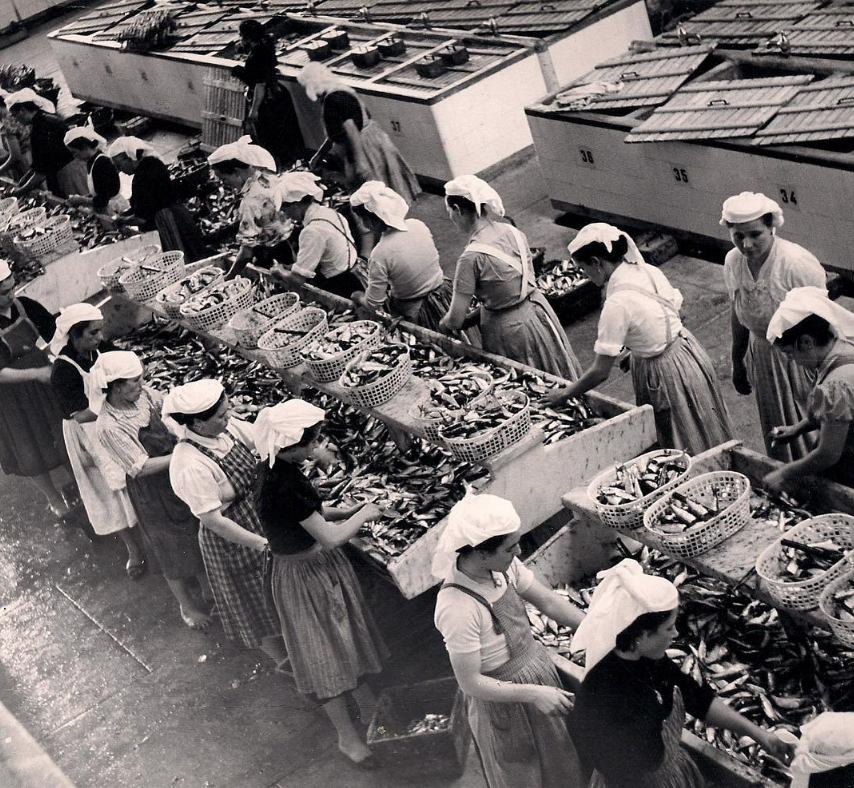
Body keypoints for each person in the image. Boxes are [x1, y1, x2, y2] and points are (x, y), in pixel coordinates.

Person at [572, 559, 794, 788]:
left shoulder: (647, 659)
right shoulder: (604, 695)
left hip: (670, 772)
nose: (676, 634)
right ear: (640, 636)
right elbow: (623, 771)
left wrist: (758, 734)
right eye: (668, 628)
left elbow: (695, 697)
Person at [253, 400, 387, 768]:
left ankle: (367, 705)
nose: (315, 449)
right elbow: (329, 538)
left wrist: (340, 510)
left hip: (314, 569)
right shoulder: (283, 482)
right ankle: (348, 738)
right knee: (326, 656)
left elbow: (307, 514)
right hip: (306, 577)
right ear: (290, 443)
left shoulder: (273, 466)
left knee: (346, 643)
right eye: (310, 444)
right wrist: (364, 514)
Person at [433, 491, 586, 788]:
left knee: (562, 767)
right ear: (480, 552)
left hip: (537, 673)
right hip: (504, 702)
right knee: (525, 774)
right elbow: (471, 683)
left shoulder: (503, 568)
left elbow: (548, 602)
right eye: (509, 548)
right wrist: (533, 693)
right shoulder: (457, 607)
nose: (518, 552)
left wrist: (594, 629)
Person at [545, 223, 733, 455]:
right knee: (705, 422)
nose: (585, 275)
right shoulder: (648, 271)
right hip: (688, 353)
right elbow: (676, 315)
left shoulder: (616, 303)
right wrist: (638, 348)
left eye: (585, 269)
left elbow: (601, 371)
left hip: (664, 372)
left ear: (597, 262)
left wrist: (565, 393)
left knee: (680, 436)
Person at [165, 380, 286, 660]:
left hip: (257, 517)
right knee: (257, 602)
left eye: (226, 410)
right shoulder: (189, 464)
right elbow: (213, 521)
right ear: (197, 423)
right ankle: (281, 659)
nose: (228, 417)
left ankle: (295, 644)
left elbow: (259, 436)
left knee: (280, 594)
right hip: (234, 540)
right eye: (221, 415)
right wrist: (263, 544)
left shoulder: (224, 431)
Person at [92, 352, 212, 627]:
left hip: (176, 477)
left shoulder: (144, 395)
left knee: (195, 535)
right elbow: (140, 467)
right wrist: (185, 452)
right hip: (153, 492)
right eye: (134, 381)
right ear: (117, 386)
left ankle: (207, 587)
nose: (141, 384)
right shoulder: (108, 426)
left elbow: (168, 410)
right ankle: (188, 608)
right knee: (171, 550)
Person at [439, 175, 581, 379]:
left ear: (458, 210)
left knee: (528, 381)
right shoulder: (513, 232)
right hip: (539, 313)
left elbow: (455, 319)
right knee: (556, 369)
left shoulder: (470, 258)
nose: (451, 218)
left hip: (510, 332)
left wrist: (444, 325)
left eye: (450, 212)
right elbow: (512, 287)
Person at [721, 191, 826, 462]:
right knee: (777, 421)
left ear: (771, 227)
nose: (747, 244)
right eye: (738, 236)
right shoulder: (733, 262)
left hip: (802, 357)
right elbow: (739, 309)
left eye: (755, 234)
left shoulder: (796, 263)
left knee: (813, 420)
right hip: (764, 353)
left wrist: (822, 372)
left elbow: (824, 323)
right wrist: (738, 358)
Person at [49, 305, 145, 577]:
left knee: (132, 481)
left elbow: (129, 364)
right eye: (93, 332)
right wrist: (112, 403)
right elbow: (79, 415)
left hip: (114, 423)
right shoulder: (63, 371)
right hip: (88, 434)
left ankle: (148, 535)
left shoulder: (101, 349)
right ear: (75, 336)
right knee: (109, 490)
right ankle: (133, 549)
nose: (100, 337)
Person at [763, 287, 854, 492]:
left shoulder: (836, 386)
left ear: (807, 342)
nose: (792, 361)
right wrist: (799, 428)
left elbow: (828, 454)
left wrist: (783, 473)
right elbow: (839, 415)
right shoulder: (842, 344)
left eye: (789, 354)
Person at [0, 260, 71, 518]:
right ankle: (53, 498)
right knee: (26, 446)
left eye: (11, 288)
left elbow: (54, 331)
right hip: (10, 396)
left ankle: (83, 484)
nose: (11, 296)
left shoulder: (24, 306)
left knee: (61, 433)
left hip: (43, 383)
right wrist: (36, 373)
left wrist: (56, 354)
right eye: (3, 293)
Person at [297, 62, 420, 204]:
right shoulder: (336, 90)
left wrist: (361, 162)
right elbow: (337, 130)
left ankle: (384, 218)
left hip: (364, 146)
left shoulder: (334, 98)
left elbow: (352, 130)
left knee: (372, 188)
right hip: (373, 139)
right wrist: (320, 154)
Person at [348, 180, 452, 332]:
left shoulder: (380, 253)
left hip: (417, 311)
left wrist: (358, 297)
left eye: (362, 219)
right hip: (445, 295)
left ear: (371, 220)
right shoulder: (418, 225)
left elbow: (374, 302)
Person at [107, 136, 208, 262]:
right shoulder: (153, 163)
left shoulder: (141, 177)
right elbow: (143, 204)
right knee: (194, 254)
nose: (119, 170)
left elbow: (141, 218)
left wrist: (120, 220)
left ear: (130, 156)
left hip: (168, 223)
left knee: (179, 259)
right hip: (179, 215)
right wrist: (125, 215)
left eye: (119, 165)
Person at [208, 136, 293, 279]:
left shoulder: (250, 202)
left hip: (275, 257)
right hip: (293, 243)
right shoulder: (267, 175)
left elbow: (247, 252)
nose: (224, 184)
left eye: (224, 179)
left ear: (236, 172)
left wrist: (229, 276)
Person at [274, 171, 363, 298]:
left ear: (295, 205)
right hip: (356, 274)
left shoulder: (312, 231)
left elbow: (298, 280)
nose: (286, 215)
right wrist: (292, 267)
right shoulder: (330, 213)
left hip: (340, 286)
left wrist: (280, 271)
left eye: (285, 209)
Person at [231, 19, 303, 168]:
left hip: (267, 104)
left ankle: (279, 167)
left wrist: (254, 110)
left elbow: (259, 85)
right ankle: (294, 165)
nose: (239, 39)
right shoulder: (267, 46)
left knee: (272, 139)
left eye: (240, 36)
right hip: (279, 95)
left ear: (248, 38)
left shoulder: (255, 58)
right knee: (288, 135)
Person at [6, 88, 88, 199]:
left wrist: (20, 191)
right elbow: (41, 164)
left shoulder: (39, 130)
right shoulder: (47, 119)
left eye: (15, 115)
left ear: (23, 110)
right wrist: (24, 179)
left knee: (82, 206)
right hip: (75, 169)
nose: (16, 119)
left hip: (69, 175)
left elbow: (41, 173)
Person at [63, 126, 129, 216]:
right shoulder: (92, 161)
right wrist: (83, 198)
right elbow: (99, 190)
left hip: (113, 208)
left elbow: (103, 200)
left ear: (85, 147)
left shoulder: (101, 163)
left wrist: (81, 200)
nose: (75, 156)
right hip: (106, 206)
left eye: (75, 152)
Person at [0, 93, 31, 181]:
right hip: (31, 157)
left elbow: (16, 156)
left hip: (24, 162)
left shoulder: (7, 123)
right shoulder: (15, 115)